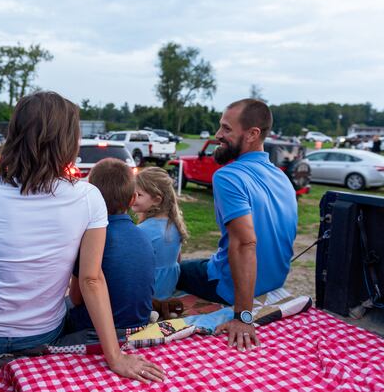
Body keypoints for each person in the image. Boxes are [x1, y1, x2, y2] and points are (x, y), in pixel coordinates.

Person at [0, 92, 164, 384]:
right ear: (68, 140)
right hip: (41, 332)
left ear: (16, 134)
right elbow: (91, 280)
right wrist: (115, 357)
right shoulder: (87, 197)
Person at [176, 98, 297, 352]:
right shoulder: (282, 177)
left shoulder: (228, 177)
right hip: (274, 281)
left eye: (226, 129)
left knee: (174, 270)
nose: (218, 135)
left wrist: (243, 317)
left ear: (252, 134)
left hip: (230, 289)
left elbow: (244, 243)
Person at [68, 158, 155, 333]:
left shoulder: (90, 240)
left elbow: (76, 298)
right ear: (133, 199)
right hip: (140, 323)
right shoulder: (144, 236)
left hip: (94, 329)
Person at [132, 167, 188, 300]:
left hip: (149, 294)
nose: (133, 198)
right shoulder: (175, 224)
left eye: (139, 195)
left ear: (157, 200)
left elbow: (134, 268)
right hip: (168, 289)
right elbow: (177, 259)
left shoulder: (142, 230)